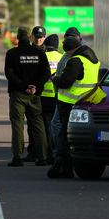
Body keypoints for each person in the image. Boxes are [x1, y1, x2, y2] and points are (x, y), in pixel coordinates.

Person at [47, 35, 100, 179]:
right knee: (75, 137)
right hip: (86, 102)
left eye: (67, 52)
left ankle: (66, 168)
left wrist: (54, 79)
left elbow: (66, 81)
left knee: (66, 137)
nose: (67, 55)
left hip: (70, 105)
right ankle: (68, 166)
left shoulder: (75, 60)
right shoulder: (92, 58)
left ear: (71, 50)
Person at [5, 26, 50, 167]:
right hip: (35, 95)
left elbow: (9, 74)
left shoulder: (12, 53)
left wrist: (24, 86)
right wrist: (35, 86)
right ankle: (42, 157)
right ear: (30, 37)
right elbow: (46, 72)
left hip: (18, 94)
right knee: (38, 125)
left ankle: (18, 158)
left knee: (18, 125)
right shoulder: (39, 53)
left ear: (17, 37)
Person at [50, 27, 91, 161]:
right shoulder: (79, 53)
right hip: (68, 98)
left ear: (78, 39)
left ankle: (61, 156)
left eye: (71, 38)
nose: (68, 41)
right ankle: (63, 155)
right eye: (67, 38)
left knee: (61, 128)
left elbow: (67, 80)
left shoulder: (78, 57)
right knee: (63, 128)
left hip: (71, 99)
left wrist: (55, 80)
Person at [24, 25, 47, 161]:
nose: (38, 40)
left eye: (41, 37)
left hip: (45, 95)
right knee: (32, 125)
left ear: (44, 37)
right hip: (33, 93)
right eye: (36, 37)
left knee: (42, 125)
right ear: (31, 36)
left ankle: (42, 153)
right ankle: (33, 152)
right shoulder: (28, 51)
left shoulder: (47, 52)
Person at [39, 34, 62, 163]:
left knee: (46, 126)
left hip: (43, 96)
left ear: (46, 45)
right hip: (57, 97)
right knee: (58, 126)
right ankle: (57, 151)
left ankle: (48, 153)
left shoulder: (43, 56)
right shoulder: (62, 57)